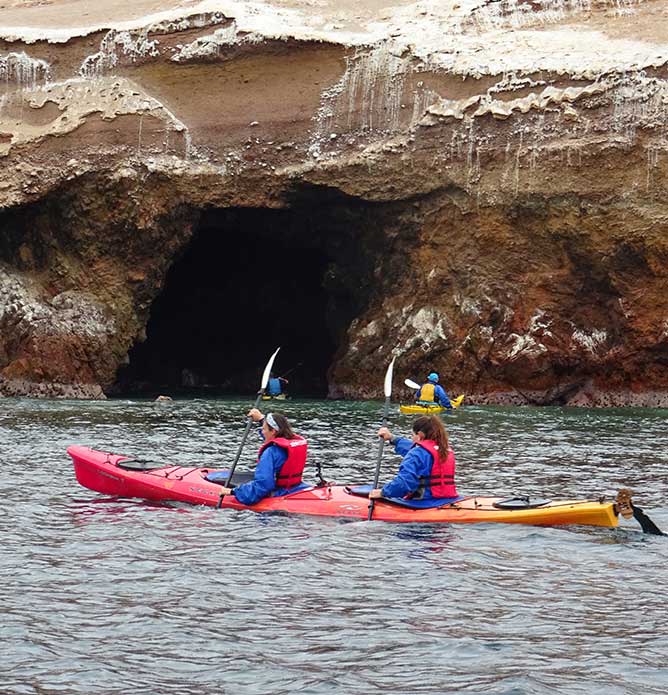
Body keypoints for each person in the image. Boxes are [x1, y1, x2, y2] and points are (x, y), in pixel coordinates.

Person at [217, 408, 307, 505]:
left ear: (273, 431)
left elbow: (263, 486)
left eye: (263, 429)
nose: (262, 432)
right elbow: (273, 434)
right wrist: (261, 419)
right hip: (296, 488)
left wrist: (233, 491)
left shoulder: (270, 453)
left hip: (279, 494)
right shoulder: (292, 442)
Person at [368, 415, 457, 500]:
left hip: (423, 502)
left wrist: (383, 492)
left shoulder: (417, 454)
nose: (412, 439)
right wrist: (392, 438)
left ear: (420, 435)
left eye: (412, 435)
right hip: (445, 499)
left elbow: (404, 483)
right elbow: (412, 448)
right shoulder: (444, 450)